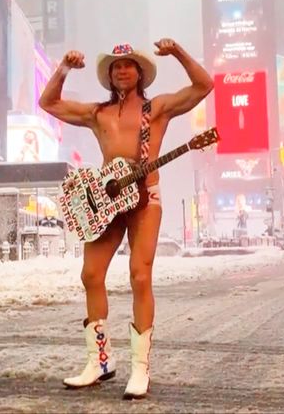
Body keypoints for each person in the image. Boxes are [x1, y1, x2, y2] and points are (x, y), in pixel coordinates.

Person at [39, 39, 212, 400]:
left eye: (128, 65)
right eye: (116, 66)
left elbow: (203, 85)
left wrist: (178, 52)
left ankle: (140, 369)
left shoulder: (158, 108)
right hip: (107, 200)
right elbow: (49, 103)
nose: (122, 70)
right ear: (109, 75)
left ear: (140, 73)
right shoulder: (97, 113)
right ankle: (100, 361)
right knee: (90, 274)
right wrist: (64, 67)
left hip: (146, 199)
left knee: (140, 274)